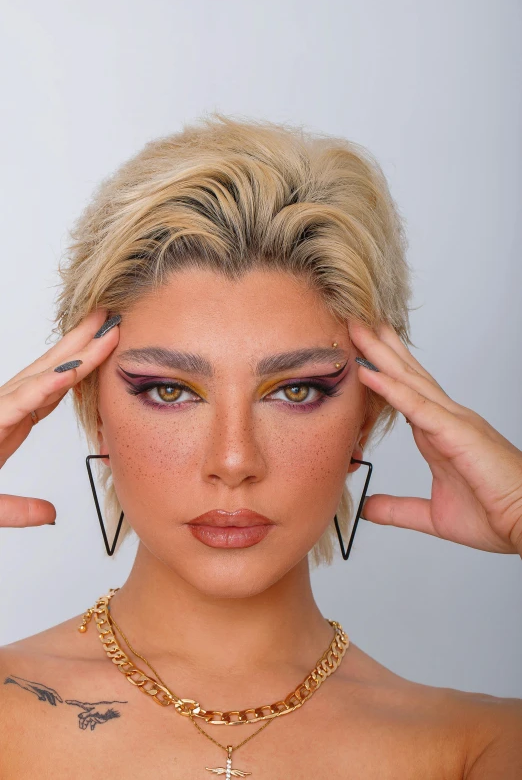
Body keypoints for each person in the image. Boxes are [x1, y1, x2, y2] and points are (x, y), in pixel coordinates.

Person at [0, 113, 521, 778]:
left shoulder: (478, 746)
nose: (235, 460)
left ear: (368, 412)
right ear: (93, 405)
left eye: (295, 391)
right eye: (169, 391)